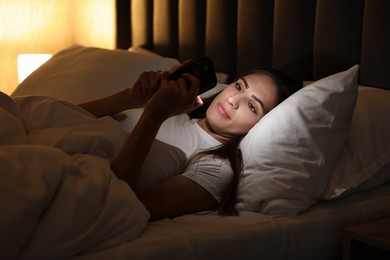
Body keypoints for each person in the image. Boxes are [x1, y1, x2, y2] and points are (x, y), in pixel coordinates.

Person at [79, 65, 302, 221]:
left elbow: (119, 207)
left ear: (262, 125)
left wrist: (153, 117)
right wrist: (130, 98)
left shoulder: (215, 167)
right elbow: (67, 116)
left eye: (252, 106)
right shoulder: (174, 108)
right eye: (238, 86)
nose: (234, 100)